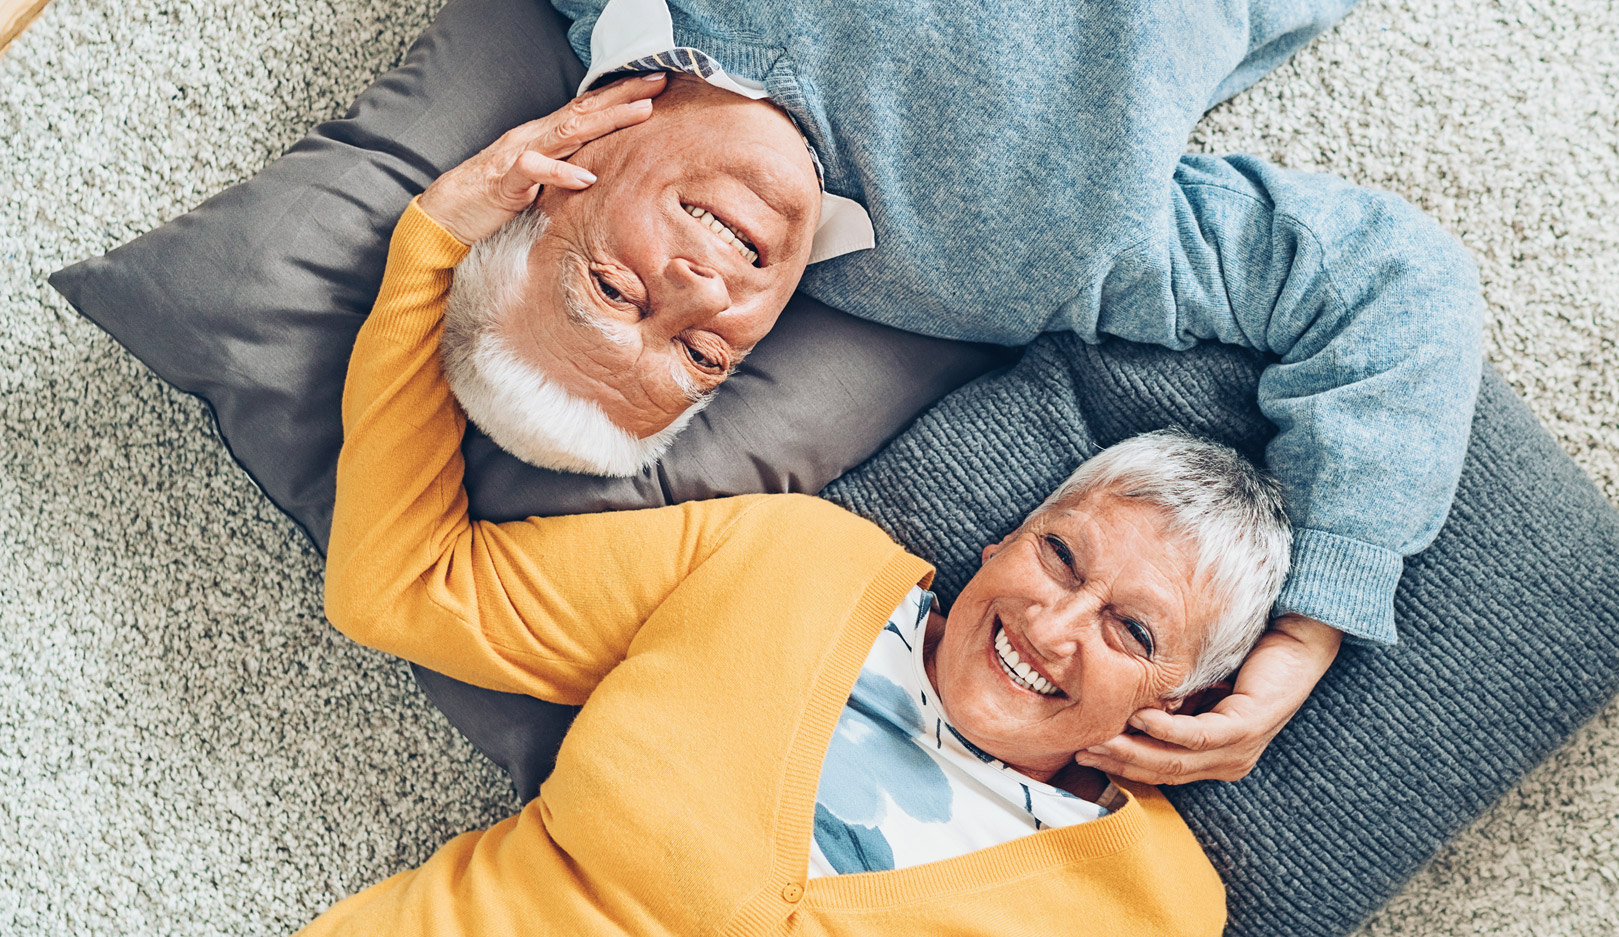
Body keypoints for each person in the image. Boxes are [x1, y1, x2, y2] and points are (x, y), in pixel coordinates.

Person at [418, 0, 1491, 787]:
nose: (704, 291)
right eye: (703, 354)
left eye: (613, 290)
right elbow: (1391, 286)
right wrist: (1305, 635)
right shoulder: (994, 272)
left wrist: (433, 231)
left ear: (542, 184)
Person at [309, 123, 1298, 931]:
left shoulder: (1152, 903)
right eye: (1060, 554)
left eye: (1132, 631)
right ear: (1002, 541)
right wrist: (432, 247)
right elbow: (404, 586)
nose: (1053, 624)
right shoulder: (788, 559)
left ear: (1185, 697)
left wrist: (1308, 641)